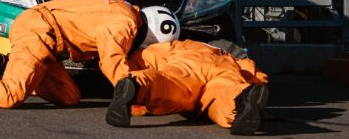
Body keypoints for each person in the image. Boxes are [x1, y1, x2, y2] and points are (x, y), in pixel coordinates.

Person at [0, 0, 180, 109]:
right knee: (10, 95)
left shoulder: (123, 10)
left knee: (69, 96)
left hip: (48, 39)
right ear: (148, 38)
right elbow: (112, 61)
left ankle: (8, 67)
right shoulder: (125, 25)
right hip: (39, 33)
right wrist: (133, 90)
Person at [106, 39, 270, 135]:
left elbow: (148, 55)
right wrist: (255, 88)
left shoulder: (184, 45)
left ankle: (137, 84)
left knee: (169, 83)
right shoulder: (240, 60)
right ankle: (241, 101)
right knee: (224, 93)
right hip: (226, 69)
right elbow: (257, 77)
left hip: (189, 62)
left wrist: (132, 70)